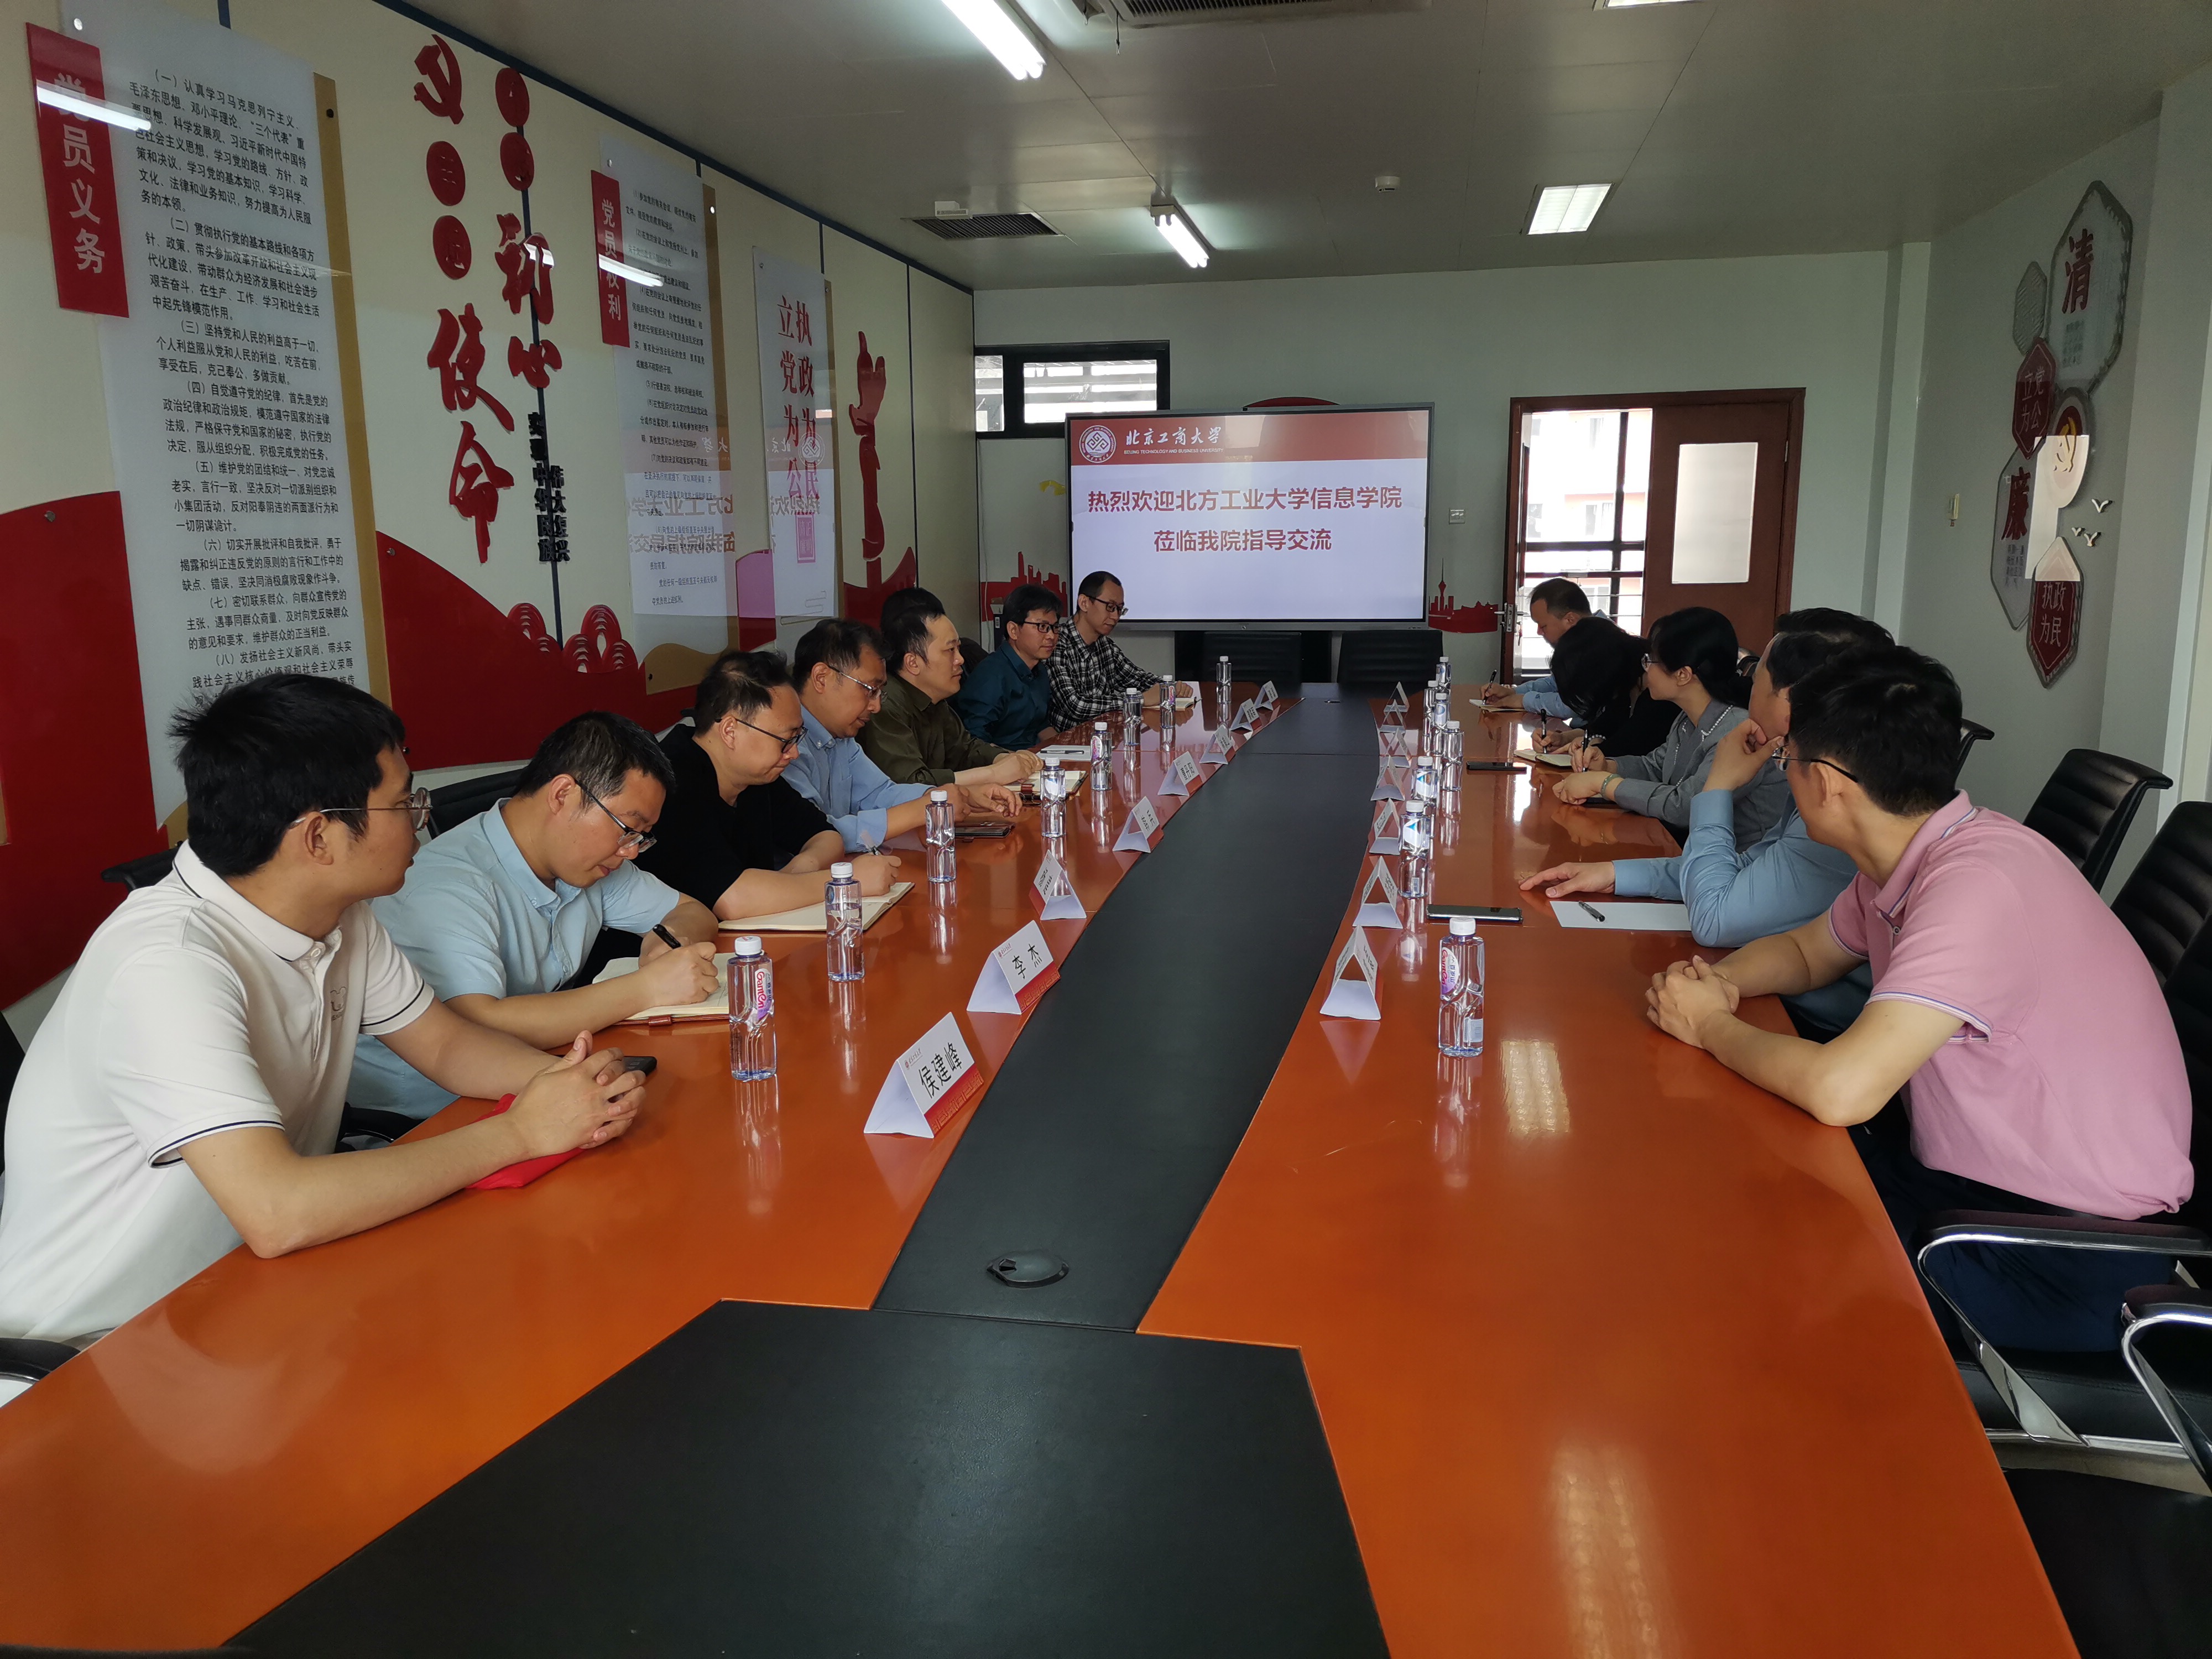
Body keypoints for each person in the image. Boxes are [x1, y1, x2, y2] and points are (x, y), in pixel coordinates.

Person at [0, 675, 645, 1352]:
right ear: (318, 838)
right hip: (89, 1349)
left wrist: (574, 1088)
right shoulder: (167, 965)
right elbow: (276, 1209)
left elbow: (445, 1046)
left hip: (245, 1302)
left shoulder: (339, 916)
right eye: (405, 802)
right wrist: (521, 1133)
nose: (421, 817)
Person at [1644, 646, 2193, 1352]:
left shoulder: (1978, 885)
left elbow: (1841, 1090)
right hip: (1961, 1189)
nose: (1785, 773)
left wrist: (1710, 1027)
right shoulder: (1911, 857)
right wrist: (1721, 983)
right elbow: (1809, 953)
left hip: (2057, 1251)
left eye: (1788, 760)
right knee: (1729, 1171)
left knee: (1738, 1264)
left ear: (1827, 784)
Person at [1522, 608, 1892, 1035]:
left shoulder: (1833, 808)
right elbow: (1749, 870)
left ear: (1792, 700)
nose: (1746, 680)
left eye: (1759, 673)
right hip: (1762, 977)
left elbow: (1715, 918)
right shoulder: (1803, 779)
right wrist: (1613, 874)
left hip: (1805, 1023)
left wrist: (1716, 785)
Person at [347, 712, 723, 1121]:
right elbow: (476, 1025)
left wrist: (666, 941)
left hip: (542, 1075)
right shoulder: (443, 885)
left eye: (640, 837)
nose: (631, 851)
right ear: (563, 795)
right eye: (626, 829)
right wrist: (647, 988)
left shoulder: (587, 863)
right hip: (433, 1115)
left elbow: (691, 911)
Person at [637, 650, 902, 921]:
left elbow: (826, 836)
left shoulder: (755, 775)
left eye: (798, 737)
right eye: (786, 740)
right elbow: (732, 899)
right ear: (730, 731)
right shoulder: (670, 784)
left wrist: (789, 879)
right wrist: (845, 882)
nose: (794, 753)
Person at [1550, 607, 1787, 848]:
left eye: (1651, 661)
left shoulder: (1736, 730)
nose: (1646, 669)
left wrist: (1605, 784)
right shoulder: (1687, 720)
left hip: (1741, 859)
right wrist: (1607, 766)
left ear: (1683, 675)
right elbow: (1655, 766)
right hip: (1694, 850)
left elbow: (1685, 807)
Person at [786, 617, 1021, 852]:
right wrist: (923, 809)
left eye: (880, 693)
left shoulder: (842, 739)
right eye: (870, 690)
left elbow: (880, 794)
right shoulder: (785, 747)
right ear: (822, 678)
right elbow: (814, 834)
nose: (876, 706)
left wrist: (954, 797)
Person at [862, 587, 1044, 788]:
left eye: (958, 648)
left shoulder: (935, 700)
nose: (960, 659)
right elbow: (911, 783)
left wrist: (1004, 758)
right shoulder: (884, 705)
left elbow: (966, 749)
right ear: (913, 663)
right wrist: (993, 773)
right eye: (950, 650)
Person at [1046, 570, 1189, 728]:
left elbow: (1135, 678)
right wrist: (1139, 699)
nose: (1116, 617)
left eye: (1120, 609)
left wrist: (1169, 687)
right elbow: (1076, 706)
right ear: (1084, 603)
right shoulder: (1056, 644)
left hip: (1104, 734)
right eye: (1110, 607)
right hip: (1069, 739)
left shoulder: (1104, 644)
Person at [1545, 614, 1675, 758]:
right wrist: (1563, 738)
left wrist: (1596, 747)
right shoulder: (1627, 687)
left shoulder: (1659, 697)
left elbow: (1628, 747)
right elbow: (1603, 727)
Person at [956, 582, 1066, 749]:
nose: (1051, 636)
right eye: (1042, 627)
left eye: (1055, 627)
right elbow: (976, 742)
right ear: (1014, 630)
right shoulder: (991, 676)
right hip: (1002, 761)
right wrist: (1018, 760)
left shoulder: (1040, 670)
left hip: (1035, 757)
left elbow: (1041, 727)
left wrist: (1068, 749)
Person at [1479, 577, 1590, 717]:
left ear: (1570, 620)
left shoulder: (1605, 646)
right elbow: (1555, 684)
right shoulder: (1582, 641)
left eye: (1543, 626)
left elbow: (1573, 704)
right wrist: (1513, 692)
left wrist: (1524, 701)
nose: (1539, 632)